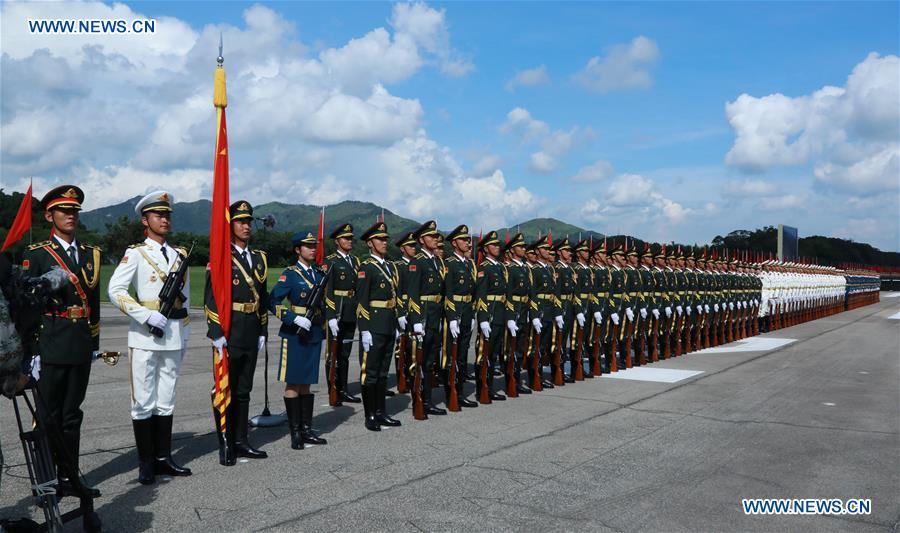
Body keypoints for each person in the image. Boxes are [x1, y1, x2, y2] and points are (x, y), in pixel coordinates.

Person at [22, 185, 102, 497]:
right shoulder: (37, 255)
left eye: (74, 211)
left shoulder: (92, 255)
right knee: (47, 416)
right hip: (50, 344)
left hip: (80, 344)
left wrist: (93, 344)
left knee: (72, 416)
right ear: (50, 215)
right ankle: (46, 483)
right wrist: (31, 351)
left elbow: (92, 305)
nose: (70, 215)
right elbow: (27, 307)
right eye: (64, 210)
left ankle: (69, 477)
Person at [108, 191, 191, 485]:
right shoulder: (136, 253)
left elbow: (185, 303)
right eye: (159, 215)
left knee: (166, 399)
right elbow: (115, 291)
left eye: (167, 215)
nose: (165, 219)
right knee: (143, 402)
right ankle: (146, 463)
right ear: (145, 220)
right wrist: (144, 315)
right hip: (145, 335)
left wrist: (185, 335)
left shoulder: (180, 254)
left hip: (173, 335)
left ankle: (163, 458)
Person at [203, 200, 269, 465]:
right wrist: (216, 330)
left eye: (249, 221)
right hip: (229, 330)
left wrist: (263, 328)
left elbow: (262, 297)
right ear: (230, 226)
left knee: (244, 390)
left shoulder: (260, 258)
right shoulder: (221, 257)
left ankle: (242, 440)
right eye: (240, 221)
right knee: (224, 389)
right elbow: (210, 298)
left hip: (251, 330)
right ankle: (226, 442)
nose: (246, 226)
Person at [268, 231, 329, 449]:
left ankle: (306, 429)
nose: (313, 249)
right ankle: (295, 432)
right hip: (295, 333)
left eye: (314, 245)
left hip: (313, 331)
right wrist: (293, 318)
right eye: (307, 246)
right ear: (297, 250)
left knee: (307, 382)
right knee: (294, 381)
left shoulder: (319, 275)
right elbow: (273, 300)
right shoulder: (290, 274)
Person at [354, 222, 403, 430]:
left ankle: (382, 412)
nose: (384, 242)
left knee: (383, 370)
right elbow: (361, 301)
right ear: (369, 243)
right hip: (373, 325)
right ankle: (370, 415)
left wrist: (399, 318)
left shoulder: (391, 266)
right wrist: (364, 328)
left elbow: (396, 296)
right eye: (380, 239)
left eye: (385, 239)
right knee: (371, 372)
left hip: (389, 323)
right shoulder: (366, 267)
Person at [406, 220, 448, 416]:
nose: (436, 239)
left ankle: (428, 400)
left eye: (436, 236)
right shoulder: (417, 262)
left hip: (435, 316)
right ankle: (419, 400)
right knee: (420, 360)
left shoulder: (436, 261)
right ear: (422, 240)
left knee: (431, 360)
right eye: (432, 236)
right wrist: (415, 320)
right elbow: (412, 293)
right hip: (423, 316)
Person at [324, 223, 361, 404]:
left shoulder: (355, 261)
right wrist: (330, 316)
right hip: (337, 311)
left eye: (351, 238)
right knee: (333, 352)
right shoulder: (330, 261)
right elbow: (328, 291)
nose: (349, 241)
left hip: (350, 310)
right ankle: (333, 388)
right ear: (338, 241)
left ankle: (344, 388)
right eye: (346, 238)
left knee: (345, 353)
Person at [442, 225, 478, 408]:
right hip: (454, 314)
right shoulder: (449, 264)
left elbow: (472, 291)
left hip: (466, 312)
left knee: (463, 354)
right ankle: (451, 393)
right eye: (464, 240)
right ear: (455, 243)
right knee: (451, 355)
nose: (468, 242)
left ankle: (460, 391)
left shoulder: (468, 264)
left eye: (468, 240)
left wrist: (471, 313)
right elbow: (448, 293)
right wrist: (452, 317)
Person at [474, 230, 509, 402]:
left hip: (500, 313)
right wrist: (483, 319)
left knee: (494, 353)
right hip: (490, 314)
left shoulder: (500, 267)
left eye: (498, 245)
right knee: (484, 353)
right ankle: (482, 388)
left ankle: (490, 387)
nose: (497, 247)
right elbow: (480, 296)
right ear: (486, 249)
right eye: (494, 245)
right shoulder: (484, 268)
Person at [504, 233, 533, 394]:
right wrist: (510, 317)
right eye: (520, 247)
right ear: (513, 249)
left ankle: (517, 379)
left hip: (523, 311)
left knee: (521, 348)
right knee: (511, 348)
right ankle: (511, 381)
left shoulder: (524, 268)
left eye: (524, 246)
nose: (523, 249)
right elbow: (507, 294)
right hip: (514, 312)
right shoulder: (510, 269)